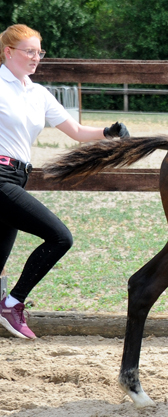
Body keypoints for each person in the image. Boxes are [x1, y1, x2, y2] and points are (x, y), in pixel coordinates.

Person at [0, 24, 130, 340]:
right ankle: (12, 303)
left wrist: (108, 133)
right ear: (8, 52)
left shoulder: (38, 93)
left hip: (18, 179)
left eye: (38, 52)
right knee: (60, 237)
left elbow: (74, 130)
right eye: (28, 51)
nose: (35, 57)